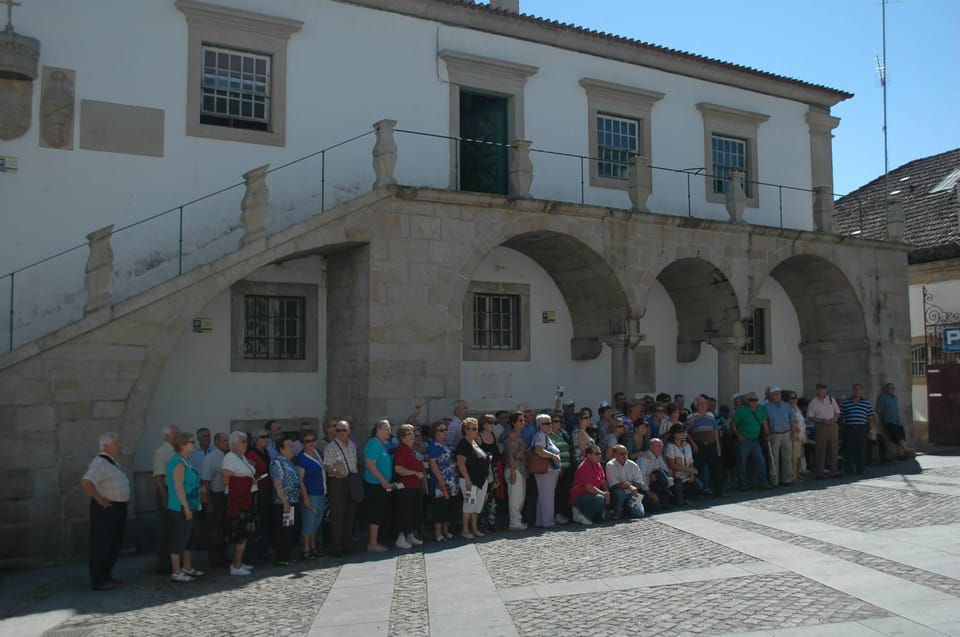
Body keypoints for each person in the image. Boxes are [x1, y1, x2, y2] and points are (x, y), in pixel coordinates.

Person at [81, 432, 130, 591]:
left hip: (118, 508)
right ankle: (98, 581)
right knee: (102, 544)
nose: (119, 446)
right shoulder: (100, 462)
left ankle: (107, 576)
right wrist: (99, 498)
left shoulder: (112, 462)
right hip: (106, 509)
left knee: (113, 544)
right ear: (106, 446)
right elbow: (86, 482)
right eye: (116, 443)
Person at [166, 432, 205, 582]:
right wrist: (186, 508)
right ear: (182, 445)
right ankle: (176, 571)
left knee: (190, 538)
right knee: (179, 538)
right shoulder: (177, 462)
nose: (194, 444)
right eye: (191, 442)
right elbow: (178, 487)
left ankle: (187, 567)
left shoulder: (186, 460)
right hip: (180, 507)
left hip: (193, 505)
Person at [221, 431, 257, 576]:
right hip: (238, 501)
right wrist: (247, 482)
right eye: (242, 441)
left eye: (246, 441)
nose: (245, 444)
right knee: (240, 533)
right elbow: (225, 479)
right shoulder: (230, 457)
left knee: (246, 532)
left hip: (247, 498)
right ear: (233, 444)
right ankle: (235, 565)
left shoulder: (242, 457)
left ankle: (240, 562)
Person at [323, 420, 359, 556]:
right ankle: (337, 546)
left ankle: (347, 543)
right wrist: (334, 472)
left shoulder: (352, 445)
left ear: (349, 431)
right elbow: (326, 465)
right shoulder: (330, 447)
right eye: (338, 430)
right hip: (337, 482)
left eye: (343, 430)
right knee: (338, 514)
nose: (341, 433)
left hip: (351, 479)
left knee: (350, 513)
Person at [364, 419, 396, 553]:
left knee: (380, 513)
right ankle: (372, 544)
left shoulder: (381, 444)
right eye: (387, 428)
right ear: (378, 431)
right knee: (375, 514)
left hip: (381, 485)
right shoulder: (373, 444)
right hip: (375, 485)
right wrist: (383, 481)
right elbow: (370, 464)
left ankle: (378, 541)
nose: (390, 431)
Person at [456, 417, 490, 539]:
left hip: (481, 480)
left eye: (476, 428)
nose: (475, 431)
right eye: (472, 428)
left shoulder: (475, 442)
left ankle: (474, 528)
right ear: (465, 430)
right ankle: (465, 529)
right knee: (469, 504)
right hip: (470, 480)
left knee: (477, 506)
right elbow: (461, 463)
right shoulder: (463, 444)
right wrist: (467, 480)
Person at [294, 429, 326, 559]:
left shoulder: (316, 453)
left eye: (313, 440)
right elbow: (300, 480)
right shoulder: (301, 458)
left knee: (316, 521)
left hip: (321, 492)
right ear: (302, 443)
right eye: (308, 441)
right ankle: (306, 548)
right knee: (309, 521)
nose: (311, 443)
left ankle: (313, 546)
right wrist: (305, 497)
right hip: (310, 493)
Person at [426, 420, 459, 542]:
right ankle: (438, 533)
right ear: (434, 432)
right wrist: (440, 479)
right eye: (441, 430)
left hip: (452, 480)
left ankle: (447, 531)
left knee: (450, 507)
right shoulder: (433, 445)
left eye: (445, 430)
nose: (444, 432)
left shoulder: (448, 444)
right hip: (440, 482)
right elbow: (433, 463)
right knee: (439, 507)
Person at [151, 425, 178, 573]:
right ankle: (163, 562)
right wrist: (164, 496)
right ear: (167, 436)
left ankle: (174, 561)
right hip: (167, 491)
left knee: (175, 527)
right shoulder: (161, 452)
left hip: (176, 491)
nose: (178, 435)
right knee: (165, 527)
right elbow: (158, 476)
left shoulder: (176, 452)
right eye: (176, 433)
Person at [394, 423, 426, 549]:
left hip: (415, 485)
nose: (412, 436)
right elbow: (398, 468)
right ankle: (401, 537)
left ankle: (410, 534)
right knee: (405, 512)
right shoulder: (401, 449)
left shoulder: (411, 450)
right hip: (406, 486)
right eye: (408, 434)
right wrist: (414, 473)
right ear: (402, 437)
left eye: (412, 433)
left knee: (413, 512)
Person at [271, 437, 301, 565]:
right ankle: (282, 557)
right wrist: (285, 502)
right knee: (284, 530)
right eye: (289, 447)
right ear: (281, 449)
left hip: (293, 500)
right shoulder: (277, 462)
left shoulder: (290, 462)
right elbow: (277, 483)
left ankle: (287, 556)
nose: (292, 449)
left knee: (289, 529)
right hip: (284, 503)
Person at [686, 396, 724, 497]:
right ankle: (694, 492)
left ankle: (718, 492)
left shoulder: (711, 415)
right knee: (697, 469)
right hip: (699, 446)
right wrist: (693, 444)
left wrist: (718, 445)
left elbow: (715, 430)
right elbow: (686, 432)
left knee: (717, 469)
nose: (703, 406)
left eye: (704, 404)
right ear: (696, 406)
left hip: (711, 445)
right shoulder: (691, 417)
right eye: (700, 404)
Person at [200, 431, 228, 568]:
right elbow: (206, 480)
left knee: (224, 527)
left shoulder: (227, 457)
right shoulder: (211, 458)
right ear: (217, 442)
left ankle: (224, 556)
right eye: (224, 441)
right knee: (215, 528)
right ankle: (215, 558)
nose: (227, 443)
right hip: (215, 495)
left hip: (225, 495)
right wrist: (209, 502)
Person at [731, 392, 770, 490]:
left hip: (755, 440)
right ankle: (743, 484)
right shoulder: (741, 411)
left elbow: (764, 422)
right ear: (747, 401)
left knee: (760, 461)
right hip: (744, 440)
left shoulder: (761, 409)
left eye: (755, 400)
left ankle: (763, 482)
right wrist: (739, 435)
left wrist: (767, 434)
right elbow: (733, 424)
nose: (754, 402)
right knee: (742, 463)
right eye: (751, 400)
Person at [245, 428, 273, 559]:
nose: (266, 439)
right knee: (257, 523)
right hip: (257, 492)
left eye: (267, 437)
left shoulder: (267, 452)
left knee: (267, 521)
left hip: (267, 491)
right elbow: (250, 472)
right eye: (263, 437)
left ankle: (265, 549)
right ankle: (255, 553)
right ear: (256, 439)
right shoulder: (251, 454)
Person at [531, 414, 562, 529]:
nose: (551, 425)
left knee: (543, 496)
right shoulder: (540, 436)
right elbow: (539, 450)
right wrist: (553, 456)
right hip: (546, 470)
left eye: (551, 423)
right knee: (547, 496)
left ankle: (540, 520)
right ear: (540, 425)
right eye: (548, 423)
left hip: (548, 471)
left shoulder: (544, 436)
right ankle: (548, 521)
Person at [764, 386, 799, 486]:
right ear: (770, 396)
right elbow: (765, 421)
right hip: (774, 434)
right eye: (775, 394)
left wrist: (794, 432)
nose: (777, 396)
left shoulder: (786, 406)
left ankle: (786, 479)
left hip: (786, 433)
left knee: (787, 457)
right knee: (774, 458)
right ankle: (774, 480)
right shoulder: (766, 407)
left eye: (779, 393)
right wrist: (766, 434)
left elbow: (792, 419)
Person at [605, 444, 653, 518]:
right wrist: (629, 486)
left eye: (626, 453)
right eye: (622, 454)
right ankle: (617, 513)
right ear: (615, 455)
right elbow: (613, 484)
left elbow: (639, 483)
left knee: (639, 513)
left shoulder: (633, 465)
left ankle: (628, 511)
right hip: (618, 493)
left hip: (632, 493)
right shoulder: (610, 465)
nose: (625, 456)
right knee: (620, 493)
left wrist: (629, 485)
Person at [807, 383, 842, 479]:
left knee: (834, 449)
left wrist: (834, 419)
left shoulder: (831, 399)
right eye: (820, 389)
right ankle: (820, 472)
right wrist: (821, 420)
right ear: (817, 390)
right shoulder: (813, 402)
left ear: (826, 390)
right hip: (820, 426)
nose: (822, 391)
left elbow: (837, 412)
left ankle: (834, 471)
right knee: (820, 449)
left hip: (832, 425)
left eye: (823, 389)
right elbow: (810, 416)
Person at [568, 444, 609, 525]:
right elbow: (589, 488)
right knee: (600, 498)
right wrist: (604, 494)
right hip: (580, 496)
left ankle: (591, 515)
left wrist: (607, 493)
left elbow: (603, 482)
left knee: (604, 517)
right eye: (597, 454)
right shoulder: (585, 466)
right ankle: (582, 515)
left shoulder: (598, 465)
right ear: (588, 455)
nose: (600, 456)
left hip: (592, 495)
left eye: (600, 453)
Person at [841, 383, 876, 475]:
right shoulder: (846, 402)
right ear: (853, 391)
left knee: (861, 449)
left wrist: (871, 430)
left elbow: (870, 418)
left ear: (862, 391)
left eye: (859, 389)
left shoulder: (866, 403)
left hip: (862, 429)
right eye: (856, 389)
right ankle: (848, 469)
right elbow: (841, 415)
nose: (858, 391)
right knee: (849, 449)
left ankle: (861, 468)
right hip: (849, 429)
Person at [664, 424, 702, 505]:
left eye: (683, 432)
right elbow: (672, 465)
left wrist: (691, 474)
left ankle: (685, 497)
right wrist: (690, 470)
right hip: (676, 477)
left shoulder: (687, 446)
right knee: (679, 503)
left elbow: (691, 462)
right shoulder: (670, 446)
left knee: (699, 485)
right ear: (674, 434)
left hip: (687, 475)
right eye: (680, 432)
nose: (683, 433)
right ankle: (676, 497)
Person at [478, 414, 503, 532]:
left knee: (493, 497)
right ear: (483, 424)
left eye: (494, 423)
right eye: (490, 423)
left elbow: (497, 454)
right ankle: (480, 522)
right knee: (483, 496)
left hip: (494, 470)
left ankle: (492, 521)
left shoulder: (493, 435)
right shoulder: (478, 437)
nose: (493, 425)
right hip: (483, 470)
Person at [503, 411, 528, 531]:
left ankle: (517, 520)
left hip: (521, 469)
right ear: (513, 423)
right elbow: (510, 456)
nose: (523, 422)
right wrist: (512, 472)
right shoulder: (512, 436)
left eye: (524, 420)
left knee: (520, 497)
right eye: (520, 420)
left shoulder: (521, 436)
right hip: (514, 469)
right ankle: (514, 522)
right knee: (515, 498)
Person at [549, 414, 572, 525]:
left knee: (564, 492)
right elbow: (554, 452)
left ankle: (564, 513)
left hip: (568, 468)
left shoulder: (562, 435)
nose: (559, 424)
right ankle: (557, 514)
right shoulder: (550, 436)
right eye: (556, 421)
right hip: (559, 468)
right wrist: (559, 466)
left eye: (560, 421)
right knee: (558, 492)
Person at [877, 382, 909, 460]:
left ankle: (901, 454)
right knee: (896, 438)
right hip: (889, 421)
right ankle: (906, 450)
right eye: (891, 388)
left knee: (901, 438)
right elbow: (878, 410)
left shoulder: (895, 397)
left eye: (894, 388)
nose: (893, 389)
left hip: (898, 421)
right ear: (887, 389)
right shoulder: (883, 397)